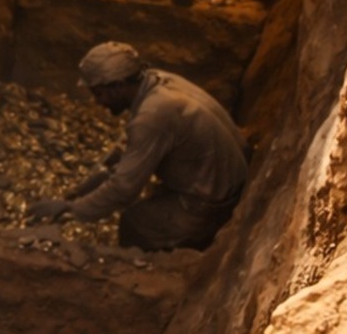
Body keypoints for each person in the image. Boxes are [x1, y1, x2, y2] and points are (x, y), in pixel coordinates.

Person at [28, 42, 248, 251]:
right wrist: (78, 192)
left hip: (215, 203)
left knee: (135, 223)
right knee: (149, 196)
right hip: (230, 176)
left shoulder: (153, 115)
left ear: (118, 85)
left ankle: (156, 271)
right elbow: (128, 155)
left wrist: (72, 210)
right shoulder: (156, 81)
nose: (97, 102)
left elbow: (124, 188)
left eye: (98, 93)